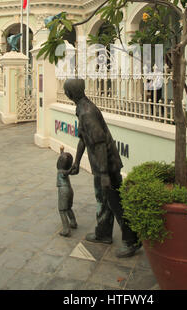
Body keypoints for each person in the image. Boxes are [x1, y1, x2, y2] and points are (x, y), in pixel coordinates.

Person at [64, 78, 141, 258]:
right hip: (101, 165)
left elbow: (99, 144)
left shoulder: (87, 112)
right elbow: (83, 138)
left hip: (107, 165)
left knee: (116, 202)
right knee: (104, 199)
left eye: (66, 91)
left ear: (71, 94)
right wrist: (76, 162)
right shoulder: (81, 108)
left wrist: (104, 174)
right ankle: (103, 233)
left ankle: (132, 240)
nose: (66, 94)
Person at [56, 146, 77, 237]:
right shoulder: (64, 169)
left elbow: (66, 172)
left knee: (62, 210)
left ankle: (66, 229)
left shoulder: (62, 171)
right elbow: (65, 165)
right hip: (69, 190)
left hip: (63, 191)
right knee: (68, 208)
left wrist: (71, 169)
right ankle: (73, 222)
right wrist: (62, 152)